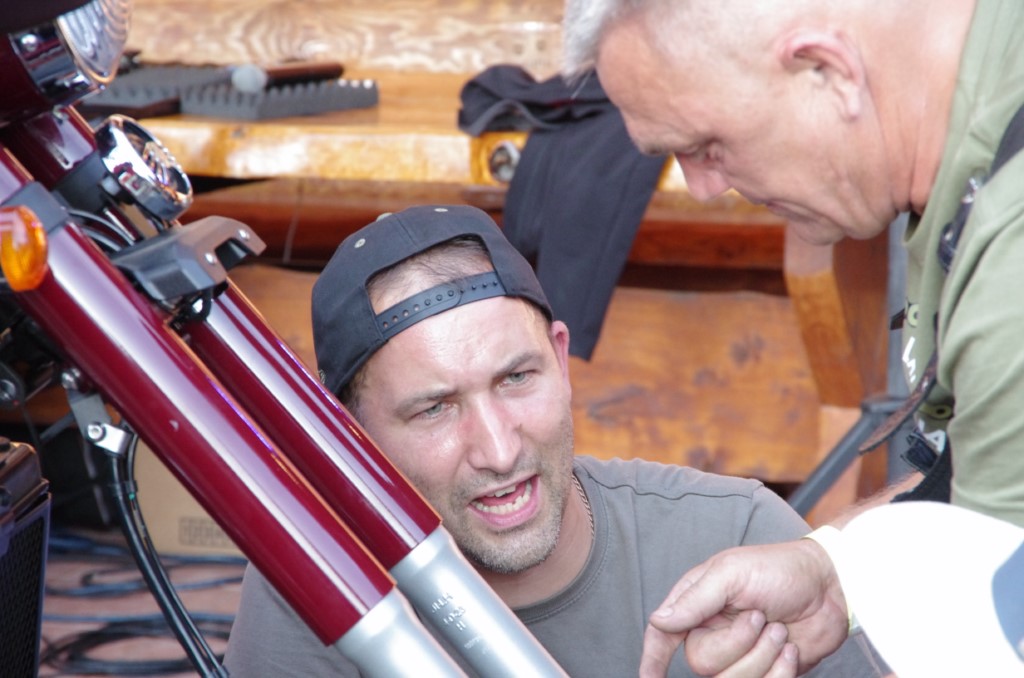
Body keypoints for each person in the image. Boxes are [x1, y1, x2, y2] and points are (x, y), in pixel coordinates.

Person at [560, 0, 1024, 674]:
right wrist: (839, 572)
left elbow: (999, 618)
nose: (703, 188)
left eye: (707, 145)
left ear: (826, 70)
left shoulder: (1011, 273)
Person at [222, 205, 884, 676]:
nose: (499, 450)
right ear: (353, 433)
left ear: (561, 362)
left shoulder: (737, 539)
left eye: (516, 378)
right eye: (434, 409)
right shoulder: (320, 582)